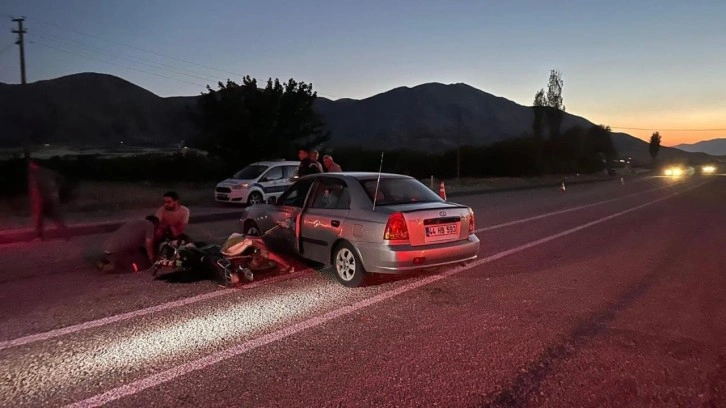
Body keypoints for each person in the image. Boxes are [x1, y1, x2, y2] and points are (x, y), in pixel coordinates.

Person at [28, 160, 70, 241]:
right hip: (51, 197)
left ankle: (41, 237)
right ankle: (65, 235)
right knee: (52, 217)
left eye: (30, 165)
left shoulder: (37, 174)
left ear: (33, 165)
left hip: (45, 198)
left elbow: (36, 187)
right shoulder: (48, 171)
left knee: (43, 217)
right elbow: (61, 178)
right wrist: (57, 189)